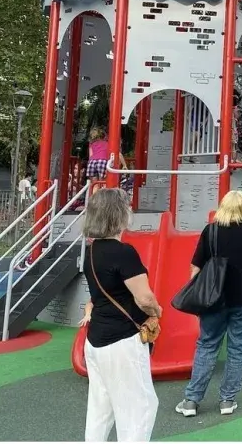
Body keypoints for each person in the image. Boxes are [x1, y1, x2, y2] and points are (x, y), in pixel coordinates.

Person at [176, 190, 242, 417]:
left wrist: (197, 294)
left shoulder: (210, 231)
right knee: (238, 349)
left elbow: (195, 268)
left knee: (207, 345)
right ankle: (227, 401)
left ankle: (192, 401)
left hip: (214, 299)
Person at [80, 187, 161, 442]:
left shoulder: (91, 252)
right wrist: (157, 311)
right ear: (119, 214)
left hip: (95, 340)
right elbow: (145, 298)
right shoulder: (123, 252)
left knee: (100, 407)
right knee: (140, 408)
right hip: (122, 342)